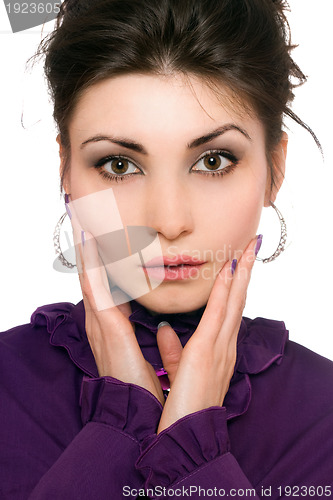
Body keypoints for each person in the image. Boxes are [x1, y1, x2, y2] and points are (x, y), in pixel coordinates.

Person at [1, 0, 332, 498]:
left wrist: (193, 442)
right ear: (65, 171)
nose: (170, 221)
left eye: (213, 160)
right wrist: (121, 418)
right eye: (118, 165)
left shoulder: (323, 412)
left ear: (275, 170)